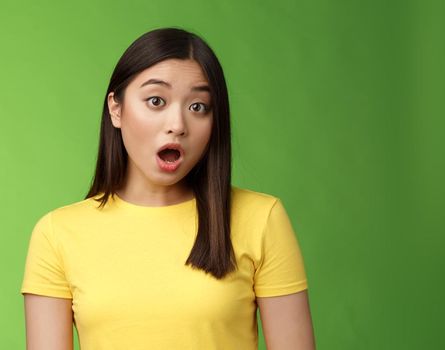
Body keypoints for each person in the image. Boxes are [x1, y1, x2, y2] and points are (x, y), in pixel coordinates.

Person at [20, 27, 315, 349]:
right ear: (116, 109)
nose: (178, 124)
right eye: (156, 101)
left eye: (198, 106)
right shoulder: (57, 233)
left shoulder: (261, 218)